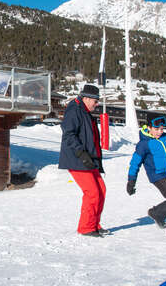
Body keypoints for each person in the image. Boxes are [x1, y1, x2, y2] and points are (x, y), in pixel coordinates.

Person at [127, 116, 166, 243]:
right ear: (149, 128)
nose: (160, 132)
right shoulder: (144, 144)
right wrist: (131, 180)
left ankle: (156, 213)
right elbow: (135, 162)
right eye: (156, 129)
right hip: (157, 175)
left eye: (162, 129)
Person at [59, 84, 107, 238]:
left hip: (89, 159)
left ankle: (94, 224)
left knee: (101, 190)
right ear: (86, 98)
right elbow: (68, 134)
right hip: (77, 159)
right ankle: (86, 228)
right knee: (92, 192)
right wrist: (81, 153)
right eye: (95, 100)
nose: (97, 104)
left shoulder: (85, 111)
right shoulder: (74, 110)